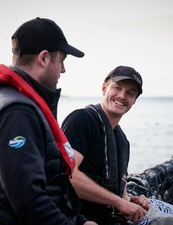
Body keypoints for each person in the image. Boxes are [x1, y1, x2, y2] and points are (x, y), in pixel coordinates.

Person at [0, 17, 97, 225]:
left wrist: (80, 221)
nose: (63, 70)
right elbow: (30, 202)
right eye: (62, 60)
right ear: (44, 58)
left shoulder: (12, 101)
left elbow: (47, 185)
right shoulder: (17, 112)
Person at [61, 66, 149, 224]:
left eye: (130, 93)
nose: (122, 96)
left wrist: (131, 201)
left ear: (134, 101)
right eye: (117, 87)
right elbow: (67, 174)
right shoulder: (81, 120)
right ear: (104, 88)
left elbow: (118, 193)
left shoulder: (123, 141)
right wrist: (119, 202)